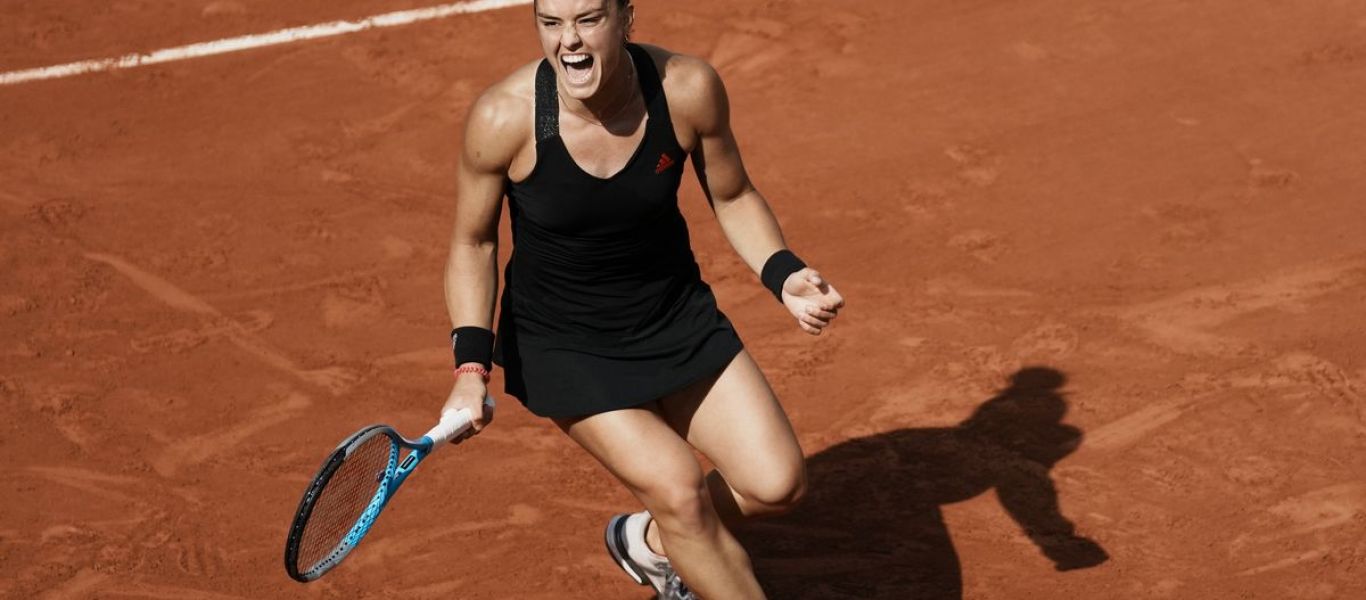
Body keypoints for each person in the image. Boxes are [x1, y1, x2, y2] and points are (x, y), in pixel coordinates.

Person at [440, 1, 844, 597]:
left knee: (776, 484)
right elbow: (472, 243)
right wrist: (471, 368)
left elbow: (733, 195)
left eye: (588, 20)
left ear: (626, 18)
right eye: (551, 23)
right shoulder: (505, 117)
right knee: (681, 493)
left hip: (671, 315)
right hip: (565, 343)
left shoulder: (686, 90)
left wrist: (781, 273)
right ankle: (682, 536)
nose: (569, 42)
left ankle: (649, 544)